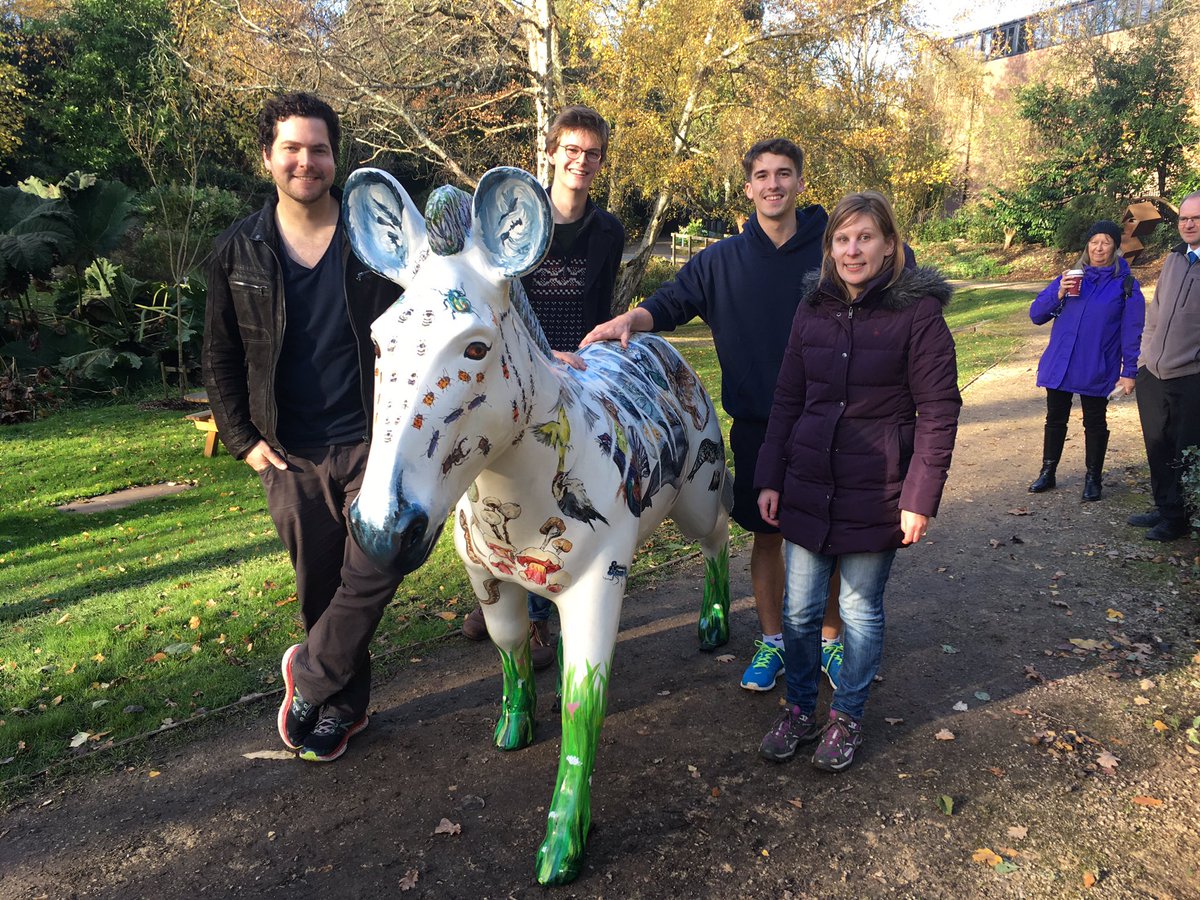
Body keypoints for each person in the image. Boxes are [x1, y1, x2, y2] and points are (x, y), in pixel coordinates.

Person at [581, 138, 846, 693]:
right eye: (762, 176)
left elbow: (889, 267)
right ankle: (772, 642)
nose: (773, 184)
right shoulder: (720, 261)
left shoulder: (832, 250)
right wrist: (629, 319)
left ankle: (829, 641)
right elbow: (671, 301)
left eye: (784, 174)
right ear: (747, 189)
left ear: (800, 182)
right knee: (767, 535)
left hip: (831, 422)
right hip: (760, 427)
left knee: (829, 538)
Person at [203, 92, 403, 763]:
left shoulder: (376, 244)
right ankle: (342, 711)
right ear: (268, 157)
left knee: (380, 560)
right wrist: (242, 441)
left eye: (318, 148)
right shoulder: (239, 252)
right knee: (323, 584)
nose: (306, 161)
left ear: (334, 156)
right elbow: (220, 356)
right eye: (291, 147)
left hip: (369, 441)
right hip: (289, 452)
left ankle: (310, 678)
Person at [754, 191, 960, 772]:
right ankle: (798, 710)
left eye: (865, 237)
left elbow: (939, 410)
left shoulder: (917, 315)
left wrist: (919, 499)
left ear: (889, 244)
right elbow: (788, 398)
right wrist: (770, 476)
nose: (852, 250)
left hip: (878, 488)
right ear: (830, 249)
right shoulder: (811, 308)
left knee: (860, 609)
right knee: (797, 613)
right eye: (842, 240)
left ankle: (846, 716)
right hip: (807, 480)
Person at [460, 105, 625, 670]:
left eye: (592, 153)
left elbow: (600, 304)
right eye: (571, 150)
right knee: (497, 484)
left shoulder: (608, 231)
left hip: (577, 375)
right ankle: (504, 594)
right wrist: (535, 354)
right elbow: (499, 300)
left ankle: (548, 609)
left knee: (562, 487)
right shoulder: (515, 224)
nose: (581, 162)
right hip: (517, 373)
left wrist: (590, 356)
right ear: (550, 153)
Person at [1027, 220, 1144, 501]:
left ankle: (1093, 478)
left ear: (1115, 247)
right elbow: (1036, 315)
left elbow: (1132, 331)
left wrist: (1129, 371)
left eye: (1106, 242)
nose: (1099, 247)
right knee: (1055, 418)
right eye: (1094, 241)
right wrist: (1058, 293)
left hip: (1096, 363)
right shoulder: (1069, 277)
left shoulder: (1125, 285)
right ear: (1087, 245)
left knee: (1094, 421)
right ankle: (1048, 471)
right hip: (1061, 362)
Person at [1130, 193, 1200, 541]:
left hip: (1190, 377)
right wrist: (1145, 358)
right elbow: (1155, 312)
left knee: (1184, 449)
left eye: (1196, 218)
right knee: (1157, 444)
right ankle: (1164, 506)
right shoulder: (1174, 258)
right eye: (1184, 218)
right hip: (1153, 373)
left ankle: (1180, 518)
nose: (1188, 224)